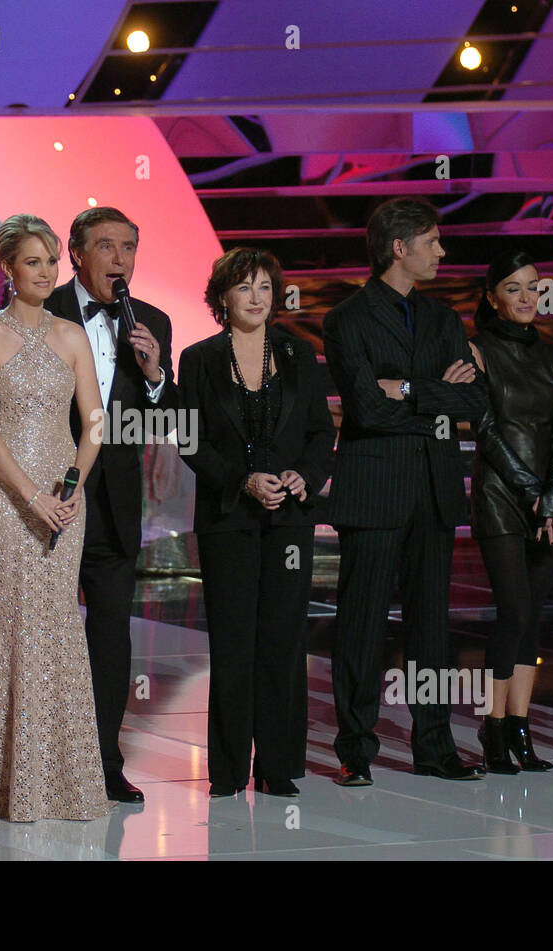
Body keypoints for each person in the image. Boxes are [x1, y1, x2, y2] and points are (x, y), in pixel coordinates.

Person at [322, 197, 488, 787]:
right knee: (362, 624)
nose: (442, 251)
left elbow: (474, 400)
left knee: (431, 629)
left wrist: (408, 391)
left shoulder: (445, 320)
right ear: (400, 247)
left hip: (434, 491)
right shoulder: (346, 319)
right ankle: (356, 749)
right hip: (373, 492)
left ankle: (435, 746)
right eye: (433, 240)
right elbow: (365, 407)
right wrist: (430, 392)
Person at [0, 214, 109, 822]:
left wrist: (70, 487)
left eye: (51, 261)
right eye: (34, 262)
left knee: (60, 624)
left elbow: (93, 422)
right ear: (7, 270)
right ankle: (3, 783)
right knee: (11, 622)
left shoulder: (71, 335)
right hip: (7, 499)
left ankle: (61, 782)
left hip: (66, 498)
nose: (47, 272)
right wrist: (30, 495)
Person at [178, 248, 334, 798]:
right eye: (244, 288)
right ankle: (225, 768)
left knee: (283, 640)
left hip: (289, 517)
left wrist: (303, 476)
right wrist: (243, 480)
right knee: (234, 640)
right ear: (223, 297)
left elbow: (320, 432)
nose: (256, 298)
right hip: (229, 517)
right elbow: (190, 439)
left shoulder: (299, 353)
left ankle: (277, 764)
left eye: (265, 287)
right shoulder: (198, 360)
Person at [43, 206, 179, 804]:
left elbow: (163, 420)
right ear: (76, 253)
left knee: (110, 638)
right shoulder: (40, 313)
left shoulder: (151, 321)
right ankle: (40, 760)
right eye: (106, 246)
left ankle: (103, 761)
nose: (120, 260)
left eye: (129, 247)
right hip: (50, 498)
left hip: (116, 504)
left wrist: (153, 376)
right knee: (44, 631)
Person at [467, 251, 553, 773]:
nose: (527, 297)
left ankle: (520, 728)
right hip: (500, 496)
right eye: (514, 288)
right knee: (514, 612)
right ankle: (491, 725)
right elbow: (485, 431)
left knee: (533, 619)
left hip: (546, 503)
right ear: (492, 297)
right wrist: (532, 489)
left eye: (533, 287)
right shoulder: (477, 351)